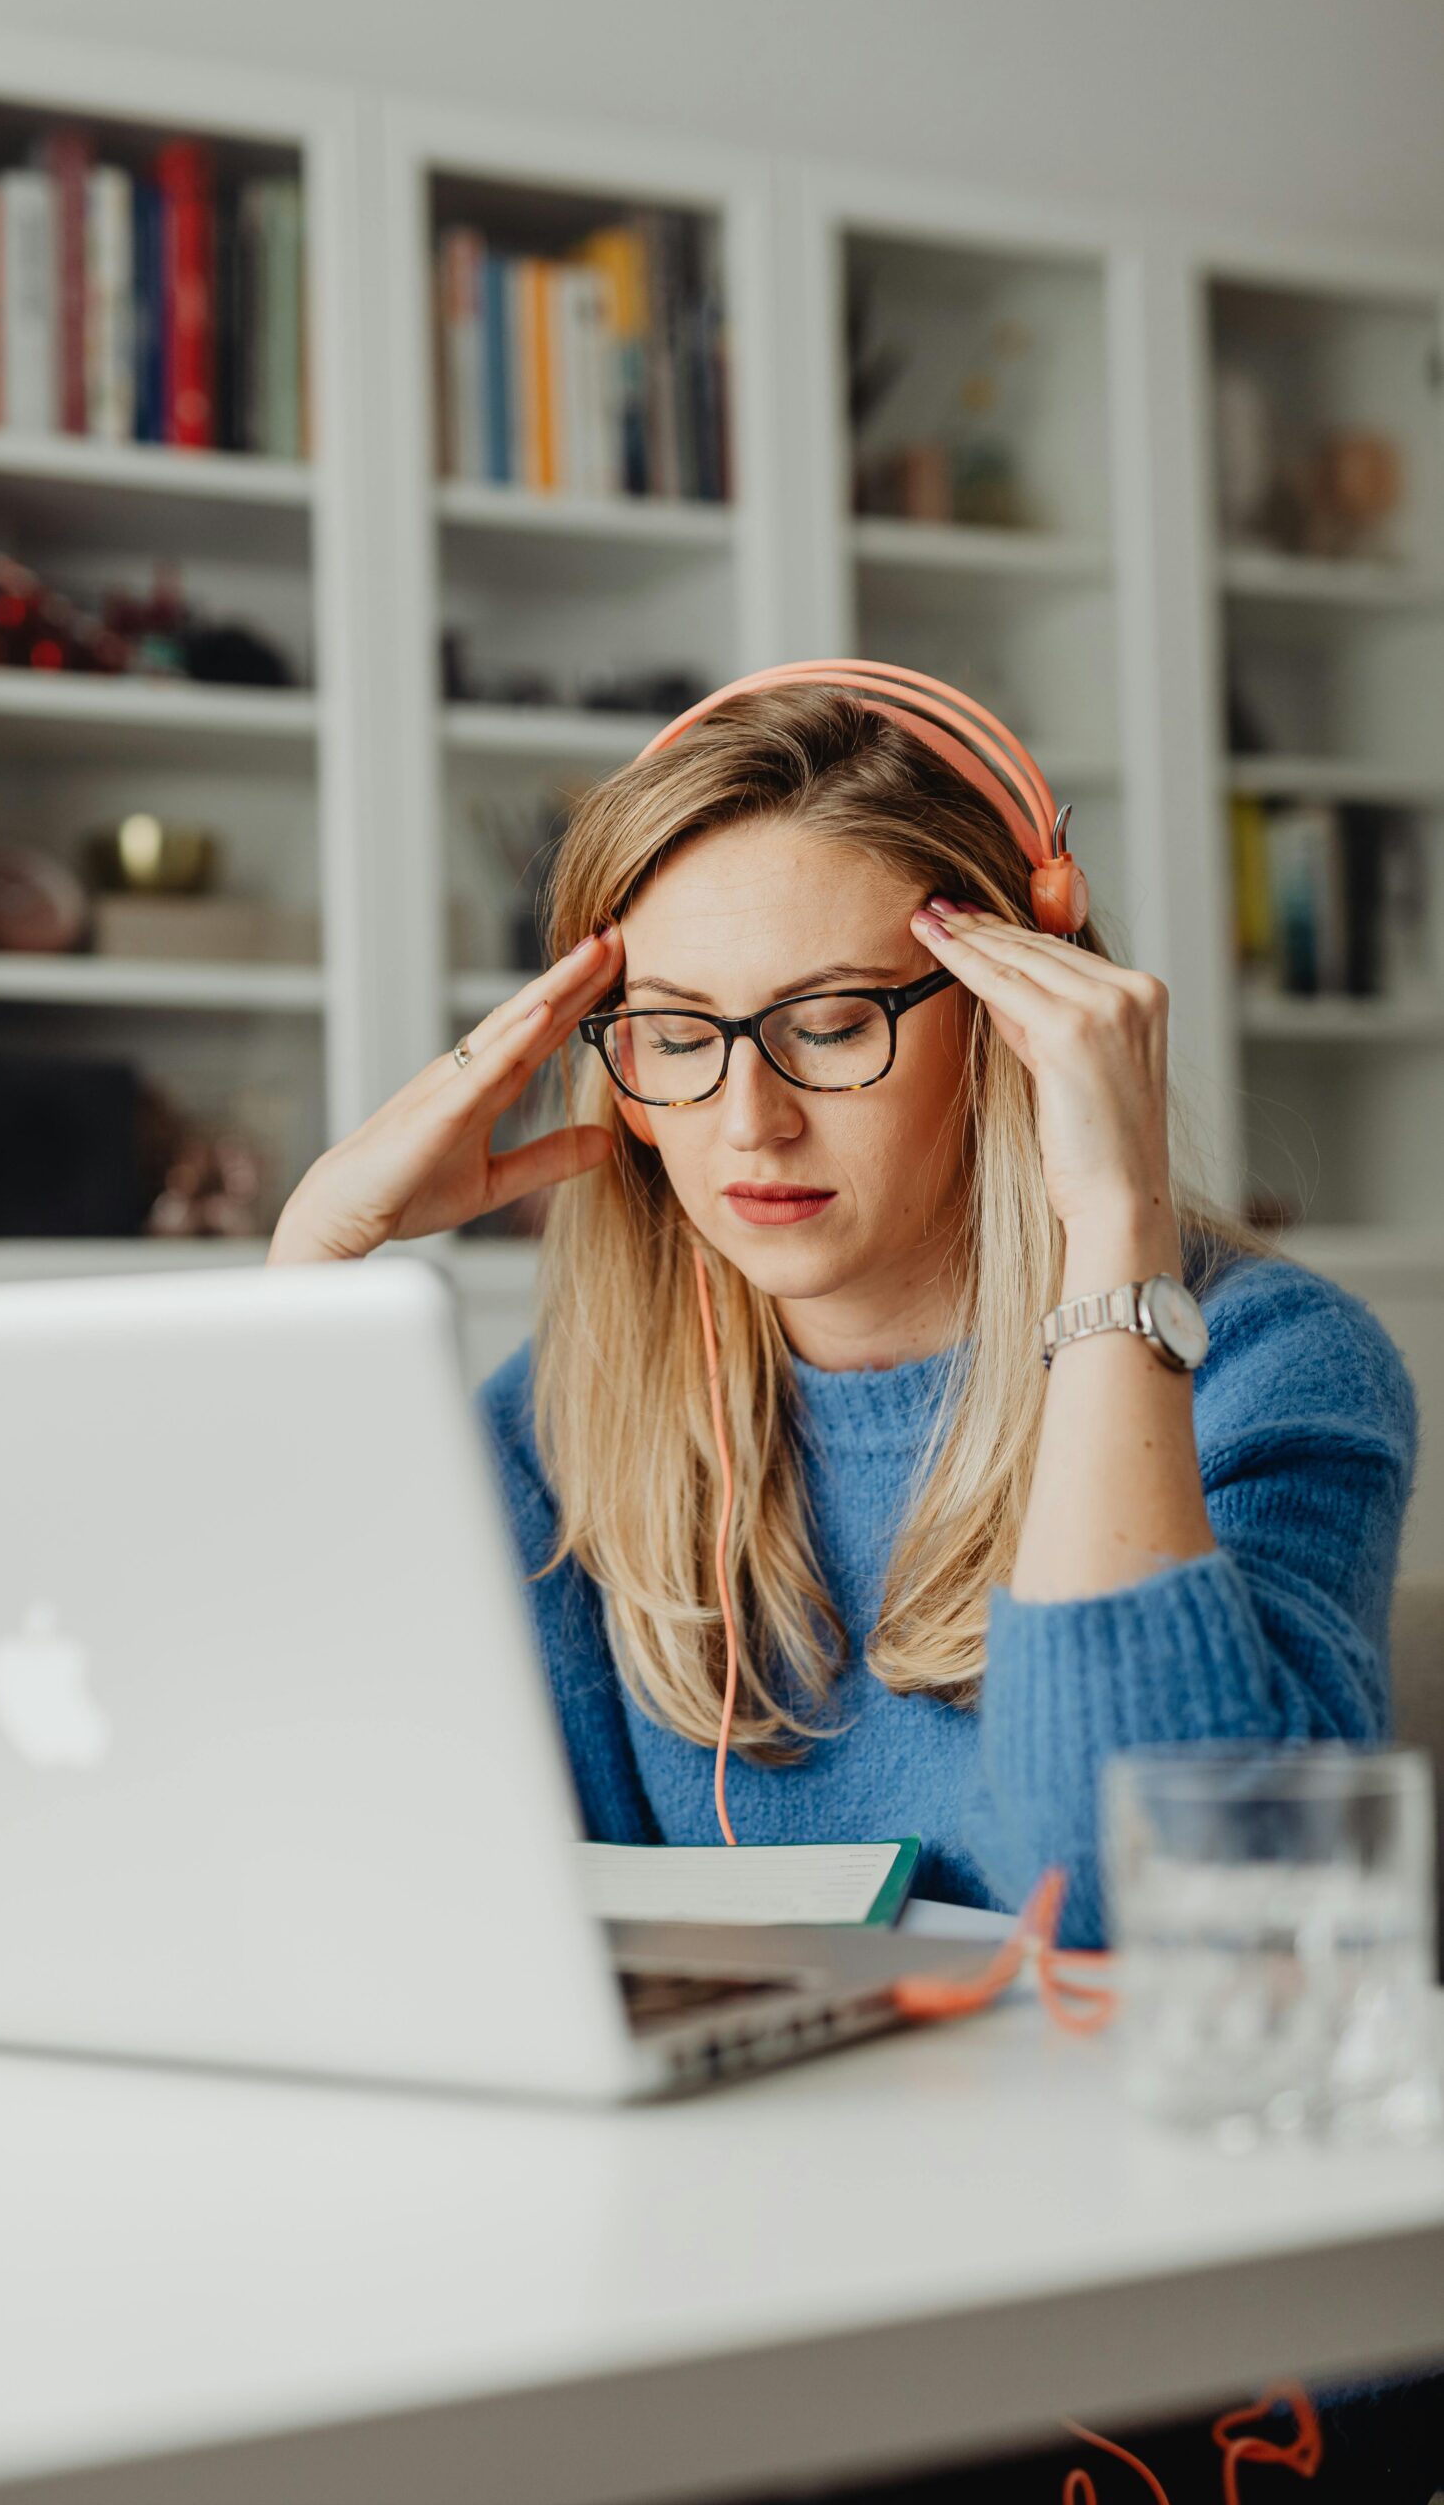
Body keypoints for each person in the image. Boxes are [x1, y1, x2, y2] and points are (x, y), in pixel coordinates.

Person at [268, 679, 1416, 1951]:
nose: (750, 1117)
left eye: (828, 1024)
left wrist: (1114, 1242)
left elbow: (1150, 1908)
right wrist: (318, 1265)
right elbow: (366, 1852)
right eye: (677, 1032)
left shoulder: (1261, 1366)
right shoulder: (566, 1417)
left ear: (1014, 1015)